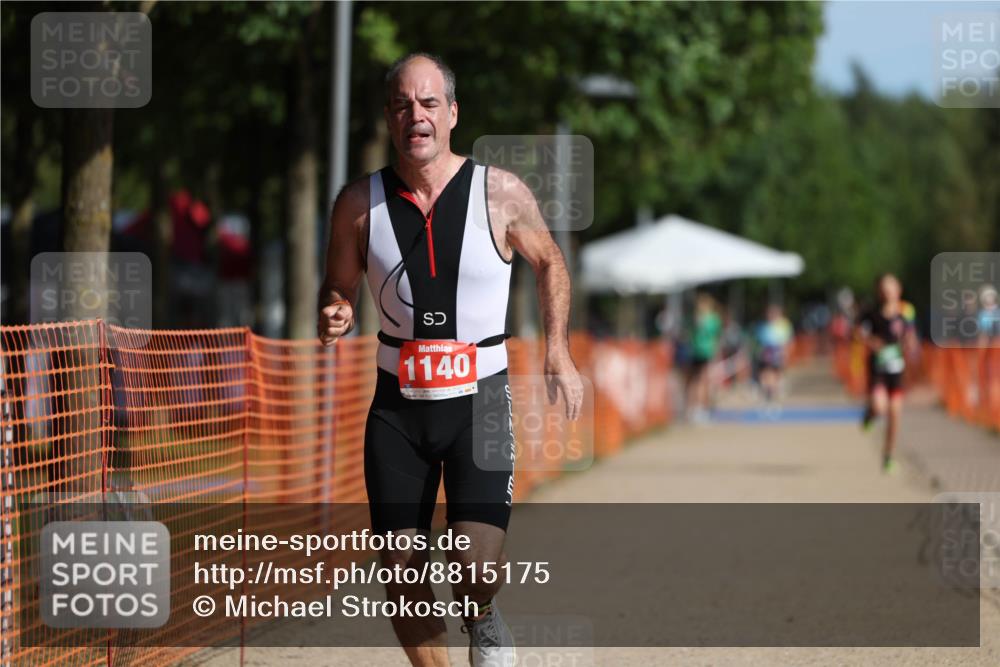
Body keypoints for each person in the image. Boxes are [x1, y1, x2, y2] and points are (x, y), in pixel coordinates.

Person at [317, 53, 584, 667]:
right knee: (402, 574)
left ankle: (484, 617)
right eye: (404, 105)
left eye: (430, 103)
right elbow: (336, 290)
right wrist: (334, 310)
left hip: (480, 406)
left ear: (453, 113)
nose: (418, 115)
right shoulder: (359, 203)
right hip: (396, 413)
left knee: (474, 568)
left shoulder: (501, 192)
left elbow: (550, 263)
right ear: (389, 117)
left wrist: (557, 350)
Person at [856, 273, 917, 474]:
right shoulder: (871, 313)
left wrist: (910, 344)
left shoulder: (905, 314)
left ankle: (888, 457)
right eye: (884, 288)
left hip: (896, 371)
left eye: (891, 287)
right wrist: (871, 342)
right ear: (879, 292)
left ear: (898, 289)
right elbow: (857, 332)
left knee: (895, 415)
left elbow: (910, 337)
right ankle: (869, 415)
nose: (887, 291)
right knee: (880, 407)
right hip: (877, 370)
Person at [684, 293, 721, 422]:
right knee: (697, 381)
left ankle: (699, 408)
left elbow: (715, 337)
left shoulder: (711, 319)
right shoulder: (701, 319)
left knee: (700, 381)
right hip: (698, 352)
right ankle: (695, 409)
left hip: (705, 353)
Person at [753, 304, 793, 410]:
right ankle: (766, 397)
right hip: (765, 354)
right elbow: (759, 342)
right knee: (764, 375)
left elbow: (787, 342)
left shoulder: (783, 325)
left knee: (774, 376)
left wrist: (785, 354)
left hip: (776, 354)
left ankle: (772, 398)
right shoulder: (763, 326)